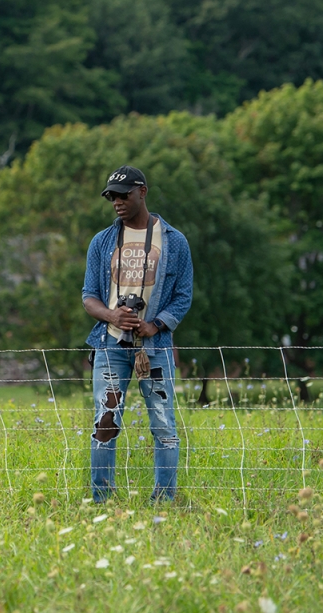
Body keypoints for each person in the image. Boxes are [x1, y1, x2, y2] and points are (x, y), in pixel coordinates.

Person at [82, 165, 193, 503]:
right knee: (105, 424)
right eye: (111, 196)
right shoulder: (102, 241)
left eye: (123, 195)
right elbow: (89, 296)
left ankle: (165, 500)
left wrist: (155, 324)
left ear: (142, 191)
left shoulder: (174, 241)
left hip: (155, 346)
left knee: (163, 426)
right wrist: (111, 314)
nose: (116, 202)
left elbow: (183, 295)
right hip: (110, 343)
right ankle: (101, 499)